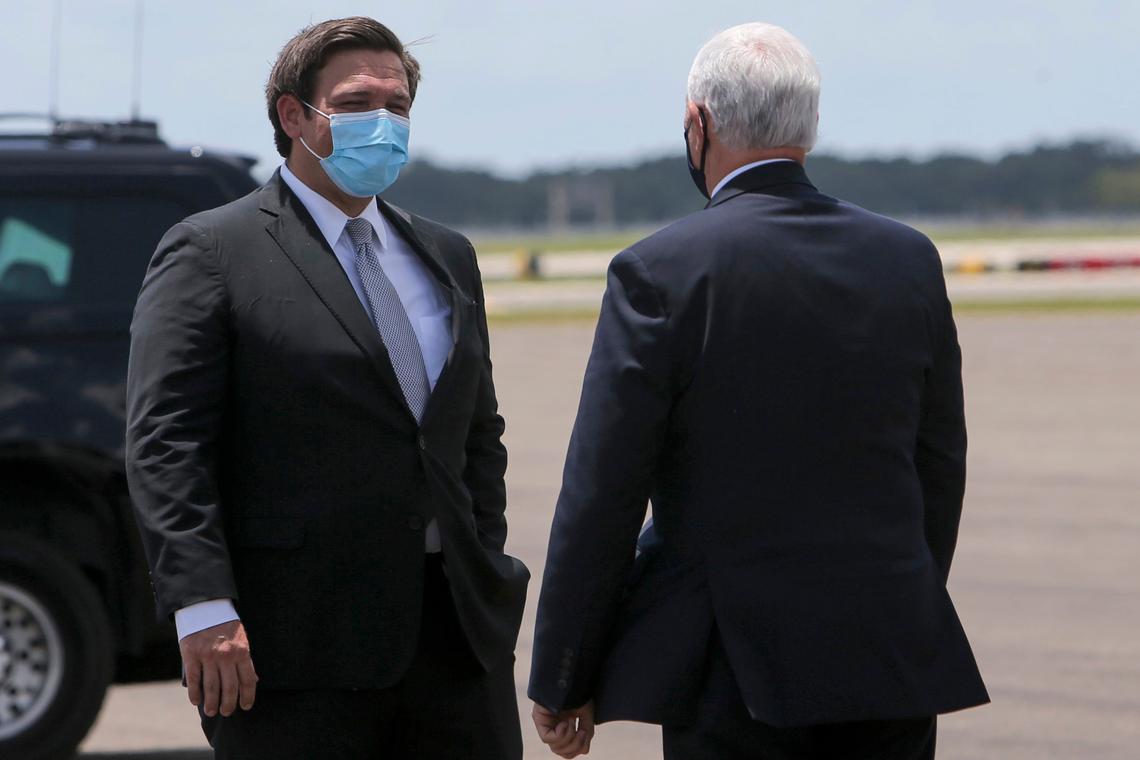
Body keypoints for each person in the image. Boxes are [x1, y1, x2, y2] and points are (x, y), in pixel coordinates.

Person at [528, 22, 988, 760]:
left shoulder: (661, 270)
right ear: (809, 125)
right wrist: (905, 595)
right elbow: (939, 461)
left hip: (733, 666)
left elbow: (605, 490)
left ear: (697, 124)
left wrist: (564, 671)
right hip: (889, 650)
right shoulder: (907, 258)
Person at [126, 17, 528, 759]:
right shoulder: (213, 251)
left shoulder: (445, 254)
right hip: (293, 649)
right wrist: (202, 606)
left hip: (454, 642)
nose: (383, 122)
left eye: (397, 105)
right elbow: (166, 443)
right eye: (356, 102)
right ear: (292, 116)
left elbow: (475, 432)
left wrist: (486, 562)